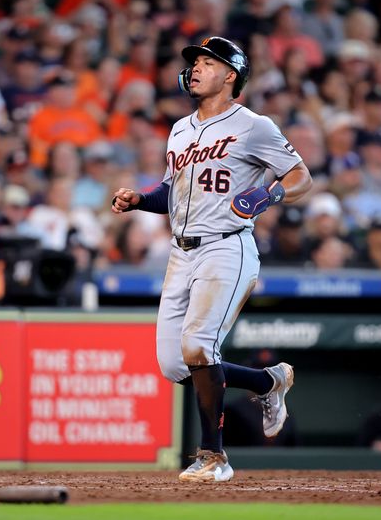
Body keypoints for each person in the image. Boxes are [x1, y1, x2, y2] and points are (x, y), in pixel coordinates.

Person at [111, 36, 313, 482]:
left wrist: (267, 193)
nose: (196, 68)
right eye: (195, 62)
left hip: (227, 245)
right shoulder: (180, 129)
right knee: (173, 363)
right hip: (180, 252)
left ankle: (213, 457)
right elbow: (171, 192)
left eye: (208, 62)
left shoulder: (254, 125)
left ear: (231, 75)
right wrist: (140, 199)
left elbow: (301, 176)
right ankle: (267, 382)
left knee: (199, 345)